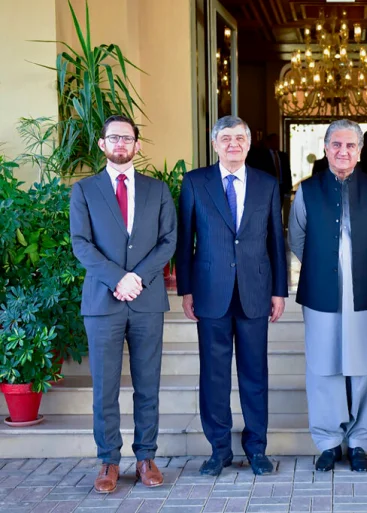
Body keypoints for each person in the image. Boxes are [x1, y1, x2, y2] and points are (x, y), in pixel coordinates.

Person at [176, 115, 288, 477]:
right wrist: (186, 289)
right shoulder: (195, 182)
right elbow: (185, 240)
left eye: (239, 138)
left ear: (249, 143)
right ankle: (219, 450)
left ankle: (257, 449)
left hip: (255, 291)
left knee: (255, 374)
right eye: (225, 138)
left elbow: (276, 240)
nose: (233, 144)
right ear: (214, 144)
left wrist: (279, 291)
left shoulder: (267, 183)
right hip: (210, 292)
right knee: (214, 376)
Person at [70, 115, 177, 493]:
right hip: (103, 301)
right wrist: (117, 278)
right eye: (113, 138)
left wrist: (138, 278)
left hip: (146, 301)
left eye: (127, 138)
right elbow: (81, 243)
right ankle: (109, 461)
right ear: (102, 144)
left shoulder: (157, 190)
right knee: (105, 387)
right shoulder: (84, 191)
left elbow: (168, 240)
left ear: (137, 145)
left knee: (148, 384)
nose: (120, 144)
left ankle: (146, 457)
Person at [288, 119, 367, 473]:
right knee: (323, 365)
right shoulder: (308, 190)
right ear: (326, 148)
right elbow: (297, 238)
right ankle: (329, 441)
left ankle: (360, 440)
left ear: (360, 151)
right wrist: (324, 267)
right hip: (320, 289)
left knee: (363, 365)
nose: (343, 151)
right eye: (336, 144)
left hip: (363, 290)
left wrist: (356, 267)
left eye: (350, 145)